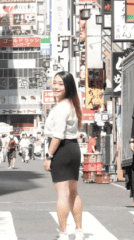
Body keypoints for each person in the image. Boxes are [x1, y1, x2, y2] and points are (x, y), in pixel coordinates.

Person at [43, 72, 84, 240]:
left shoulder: (61, 107)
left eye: (60, 84)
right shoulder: (72, 104)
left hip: (61, 149)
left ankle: (63, 233)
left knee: (62, 194)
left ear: (68, 86)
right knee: (73, 192)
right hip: (73, 148)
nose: (56, 87)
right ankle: (79, 231)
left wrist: (49, 156)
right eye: (54, 83)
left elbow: (58, 135)